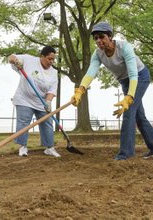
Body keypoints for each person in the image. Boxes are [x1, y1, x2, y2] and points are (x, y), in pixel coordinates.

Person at [71, 22, 153, 160]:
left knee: (129, 112)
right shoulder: (98, 54)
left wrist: (129, 97)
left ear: (110, 36)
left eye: (101, 36)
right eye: (95, 38)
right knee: (139, 116)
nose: (98, 41)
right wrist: (80, 90)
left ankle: (125, 154)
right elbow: (90, 73)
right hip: (124, 81)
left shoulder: (124, 47)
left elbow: (133, 74)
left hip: (139, 77)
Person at [8, 46, 61, 157]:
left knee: (47, 123)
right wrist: (16, 61)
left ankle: (49, 148)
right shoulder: (29, 60)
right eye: (49, 58)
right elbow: (10, 58)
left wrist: (48, 102)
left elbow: (52, 90)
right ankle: (22, 147)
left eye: (53, 59)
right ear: (42, 56)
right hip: (24, 99)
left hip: (41, 101)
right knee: (23, 123)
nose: (51, 61)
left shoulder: (53, 73)